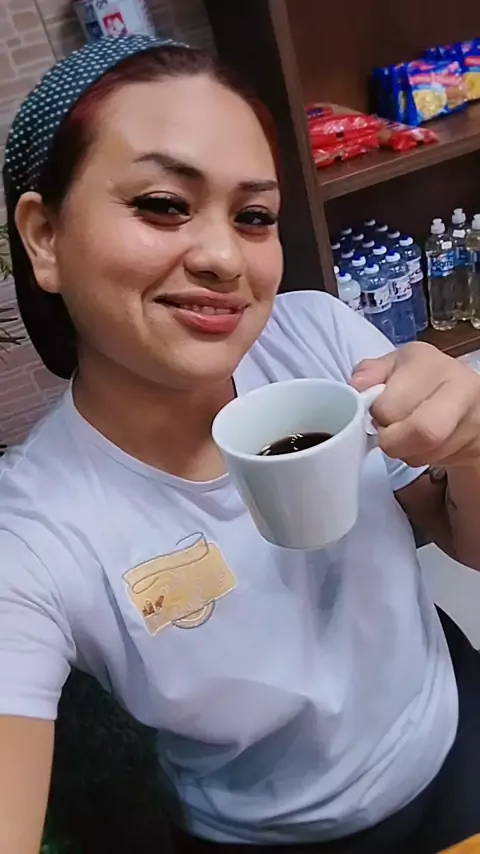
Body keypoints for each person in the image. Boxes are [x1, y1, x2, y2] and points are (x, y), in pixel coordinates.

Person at [1, 34, 480, 854]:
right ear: (44, 237)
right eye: (163, 204)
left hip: (454, 738)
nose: (225, 258)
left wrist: (469, 448)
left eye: (254, 216)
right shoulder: (36, 530)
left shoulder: (320, 341)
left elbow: (465, 541)